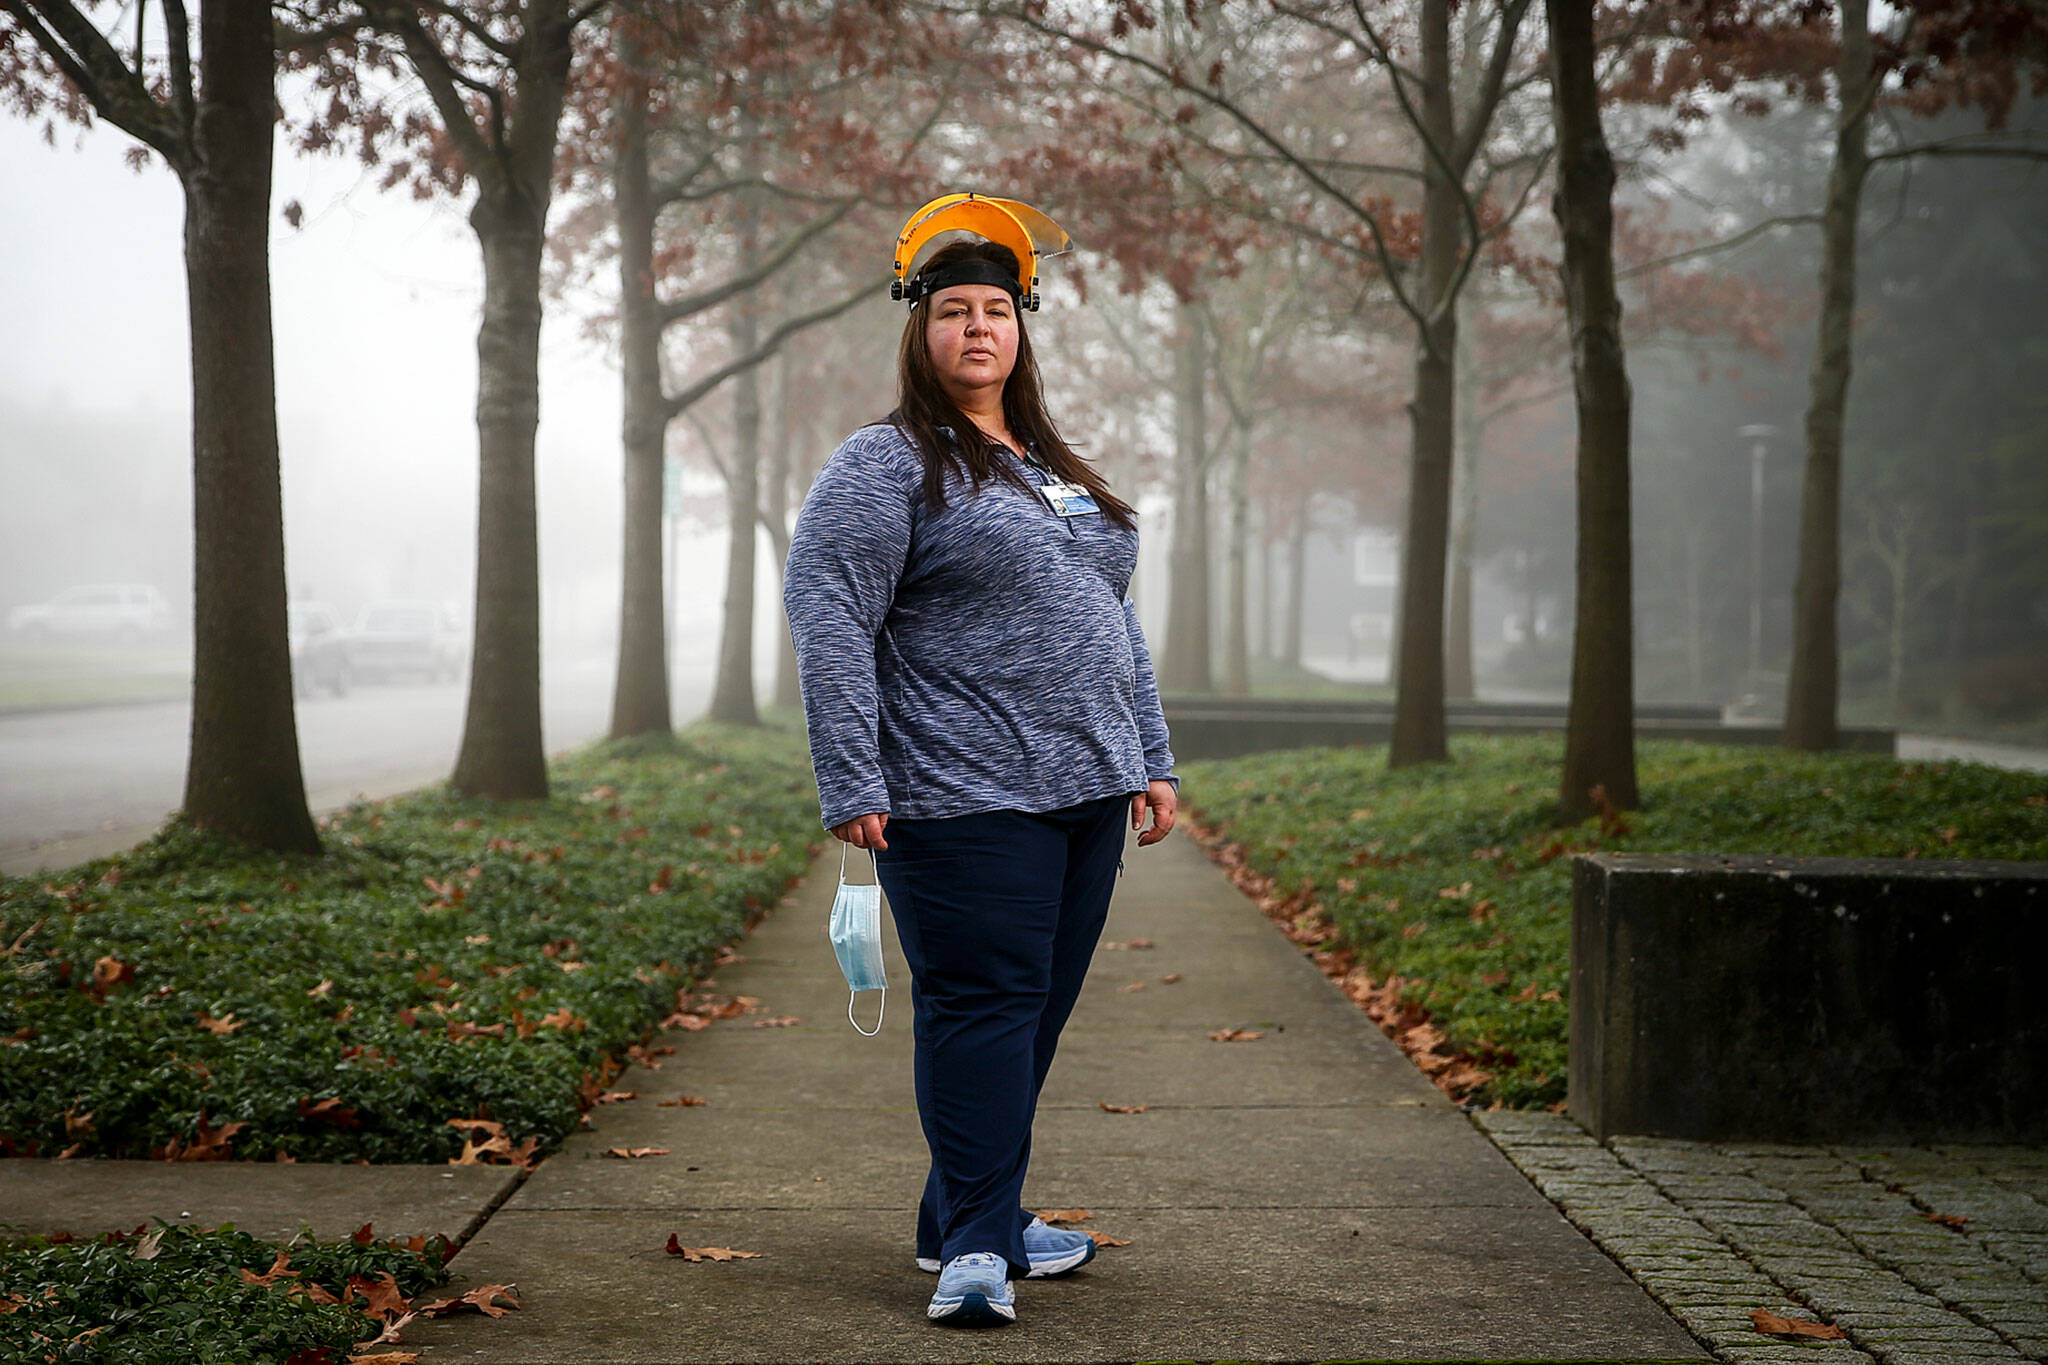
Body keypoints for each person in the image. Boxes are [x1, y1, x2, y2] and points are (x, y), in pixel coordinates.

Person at [782, 221, 1179, 1328]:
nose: (976, 327)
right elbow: (828, 614)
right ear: (921, 328)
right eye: (954, 310)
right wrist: (850, 775)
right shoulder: (885, 462)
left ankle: (965, 1216)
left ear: (1021, 329)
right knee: (981, 1009)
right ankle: (972, 1255)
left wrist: (1150, 757)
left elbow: (1113, 621)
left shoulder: (1050, 467)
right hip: (962, 792)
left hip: (1086, 790)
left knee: (1030, 1018)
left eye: (995, 310)